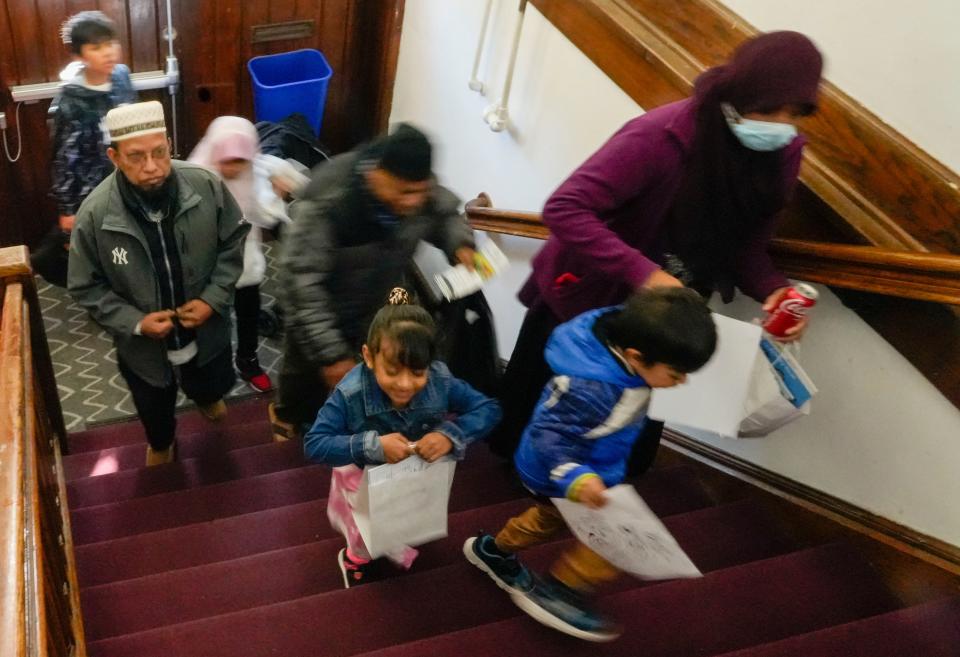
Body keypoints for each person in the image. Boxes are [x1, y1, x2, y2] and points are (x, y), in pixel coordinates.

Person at [488, 31, 823, 459]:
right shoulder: (661, 135)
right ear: (739, 94)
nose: (779, 125)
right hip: (590, 303)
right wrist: (645, 275)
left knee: (626, 433)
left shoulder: (782, 155)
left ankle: (586, 506)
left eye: (793, 113)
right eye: (768, 108)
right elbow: (565, 207)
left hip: (670, 320)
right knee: (538, 420)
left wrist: (774, 289)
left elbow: (748, 245)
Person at [465, 287, 717, 641]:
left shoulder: (626, 340)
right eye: (676, 374)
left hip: (588, 466)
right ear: (636, 356)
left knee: (544, 521)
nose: (682, 382)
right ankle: (559, 592)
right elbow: (547, 434)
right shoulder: (591, 388)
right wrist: (577, 478)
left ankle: (492, 550)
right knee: (613, 542)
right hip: (560, 471)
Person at [68, 101, 248, 466]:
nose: (151, 168)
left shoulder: (206, 185)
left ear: (169, 144)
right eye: (135, 157)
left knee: (210, 381)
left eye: (160, 152)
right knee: (154, 406)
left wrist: (213, 298)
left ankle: (206, 398)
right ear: (114, 157)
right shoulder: (95, 214)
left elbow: (233, 240)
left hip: (206, 329)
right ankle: (162, 443)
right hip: (143, 350)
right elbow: (86, 286)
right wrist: (135, 322)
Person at [272, 123, 477, 441]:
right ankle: (285, 416)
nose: (414, 202)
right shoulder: (330, 199)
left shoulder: (419, 190)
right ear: (375, 174)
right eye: (405, 192)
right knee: (301, 377)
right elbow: (301, 284)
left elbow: (446, 213)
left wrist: (459, 243)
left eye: (421, 191)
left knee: (365, 374)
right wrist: (329, 353)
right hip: (321, 313)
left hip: (375, 308)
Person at [303, 289, 502, 587]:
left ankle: (395, 537)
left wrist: (451, 434)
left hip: (415, 476)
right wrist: (372, 445)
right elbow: (315, 443)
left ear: (431, 363)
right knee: (364, 529)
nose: (406, 384)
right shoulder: (351, 392)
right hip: (361, 476)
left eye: (418, 372)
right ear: (369, 357)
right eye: (393, 371)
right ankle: (355, 558)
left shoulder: (441, 379)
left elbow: (488, 408)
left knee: (402, 517)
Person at [188, 116, 309, 393]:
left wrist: (278, 193)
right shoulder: (196, 175)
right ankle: (207, 366)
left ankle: (248, 360)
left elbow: (265, 215)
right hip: (207, 263)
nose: (232, 168)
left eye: (239, 161)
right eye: (226, 160)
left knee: (248, 313)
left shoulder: (256, 170)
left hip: (246, 261)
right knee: (210, 319)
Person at [35, 11, 137, 287]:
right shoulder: (70, 102)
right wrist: (68, 209)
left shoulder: (121, 77)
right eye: (96, 47)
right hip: (92, 190)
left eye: (110, 43)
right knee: (103, 247)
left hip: (128, 177)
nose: (108, 52)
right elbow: (65, 161)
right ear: (79, 56)